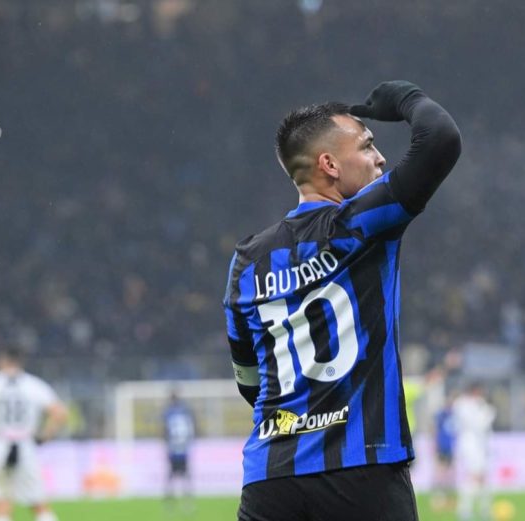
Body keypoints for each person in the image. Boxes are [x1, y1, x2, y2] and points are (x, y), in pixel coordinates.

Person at [223, 80, 461, 521]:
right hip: (363, 472)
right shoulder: (363, 223)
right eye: (367, 145)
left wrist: (303, 419)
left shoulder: (247, 261)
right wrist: (405, 98)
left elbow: (249, 382)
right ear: (329, 164)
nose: (381, 158)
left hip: (271, 478)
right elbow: (440, 139)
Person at [0, 346, 68, 521]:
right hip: (26, 443)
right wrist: (45, 436)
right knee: (38, 502)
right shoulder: (33, 384)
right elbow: (60, 413)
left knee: (2, 501)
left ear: (1, 361)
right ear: (20, 362)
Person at [452, 382, 496, 521]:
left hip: (481, 446)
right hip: (470, 445)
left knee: (483, 477)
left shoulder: (479, 405)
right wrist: (487, 413)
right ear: (475, 391)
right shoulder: (463, 404)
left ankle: (484, 509)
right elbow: (478, 425)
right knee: (474, 477)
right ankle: (465, 510)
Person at [161, 389, 196, 508]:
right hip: (183, 448)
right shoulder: (185, 411)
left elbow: (165, 430)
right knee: (185, 475)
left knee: (171, 475)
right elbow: (191, 428)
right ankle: (188, 502)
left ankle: (169, 502)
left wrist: (166, 443)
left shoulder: (168, 412)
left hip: (173, 448)